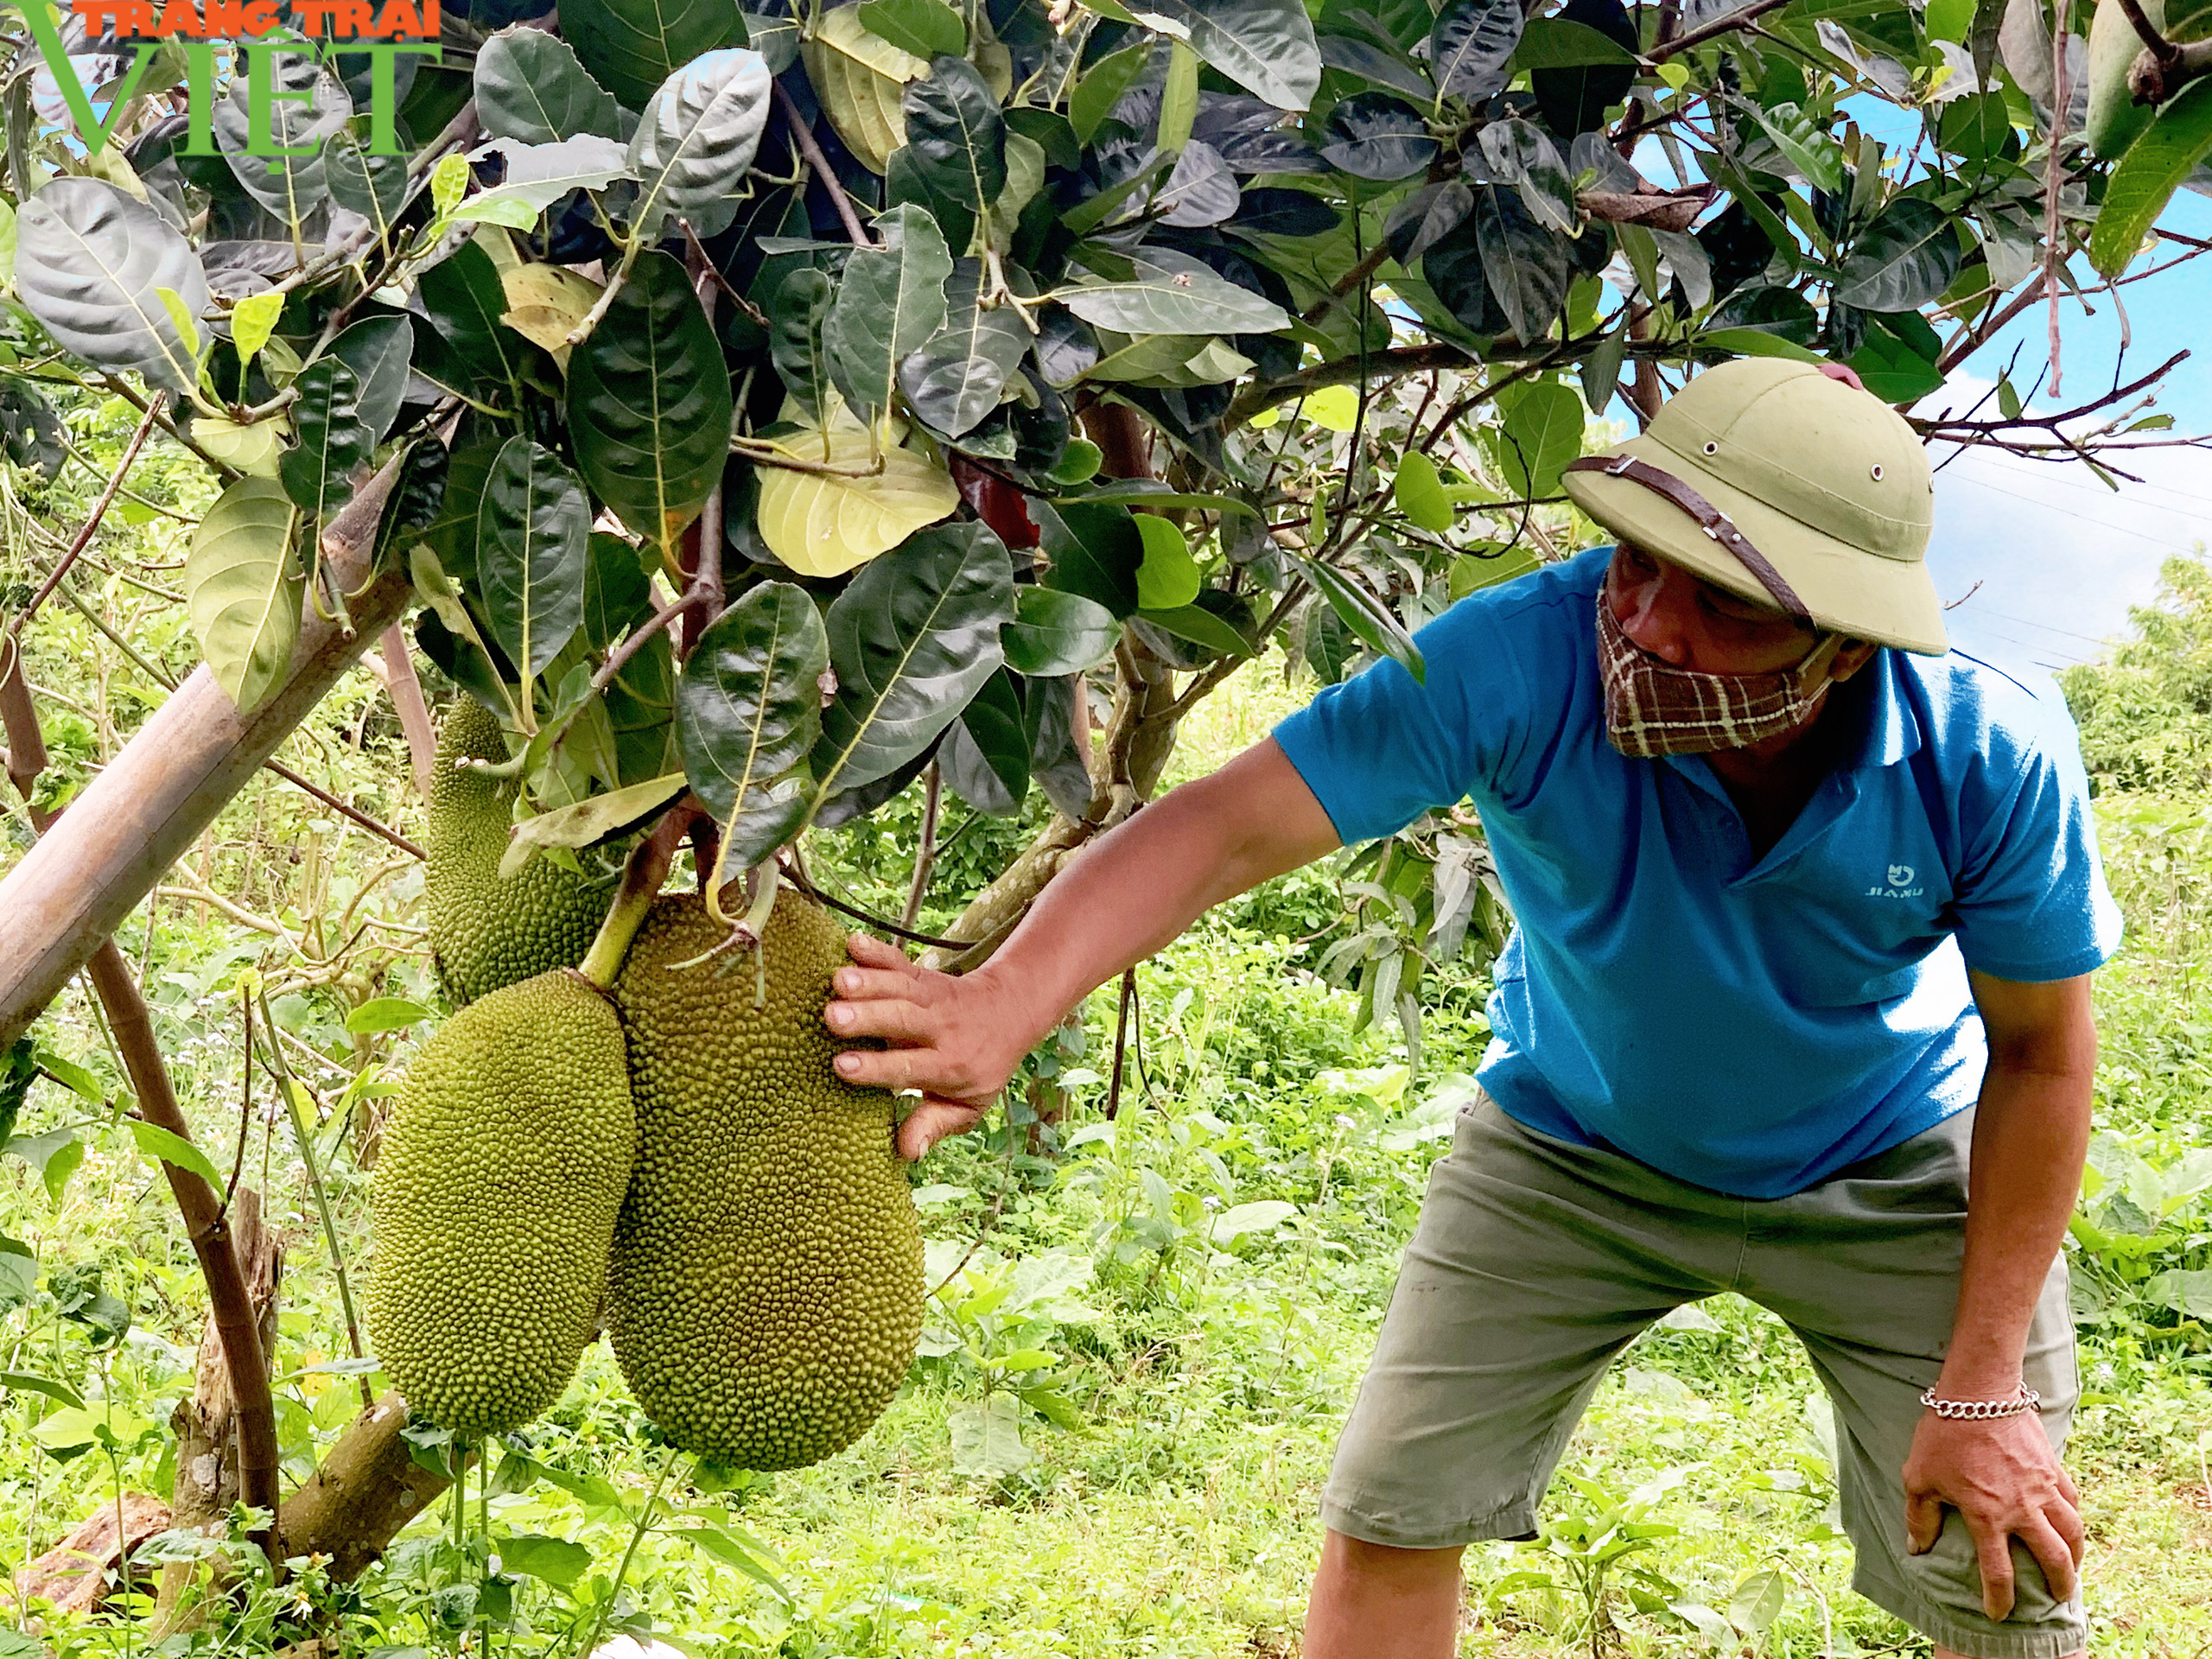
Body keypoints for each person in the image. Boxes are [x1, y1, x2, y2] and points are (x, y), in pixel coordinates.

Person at [821, 359, 2120, 1659]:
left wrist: (1982, 1383)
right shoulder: (1519, 657)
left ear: (1845, 642)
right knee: (1393, 1506)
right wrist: (1002, 1001)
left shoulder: (1983, 751)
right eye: (1636, 564)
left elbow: (2043, 1055)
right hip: (1574, 1147)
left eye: (1725, 604)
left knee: (2001, 1562)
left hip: (1891, 1155)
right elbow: (1224, 829)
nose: (1654, 626)